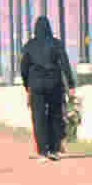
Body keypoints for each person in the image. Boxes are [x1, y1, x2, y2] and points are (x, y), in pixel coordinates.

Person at [20, 14, 74, 160]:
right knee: (55, 115)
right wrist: (71, 84)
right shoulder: (56, 44)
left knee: (38, 117)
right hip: (54, 83)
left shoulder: (29, 46)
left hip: (36, 85)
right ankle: (54, 148)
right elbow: (65, 64)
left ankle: (43, 150)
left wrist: (27, 85)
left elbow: (23, 68)